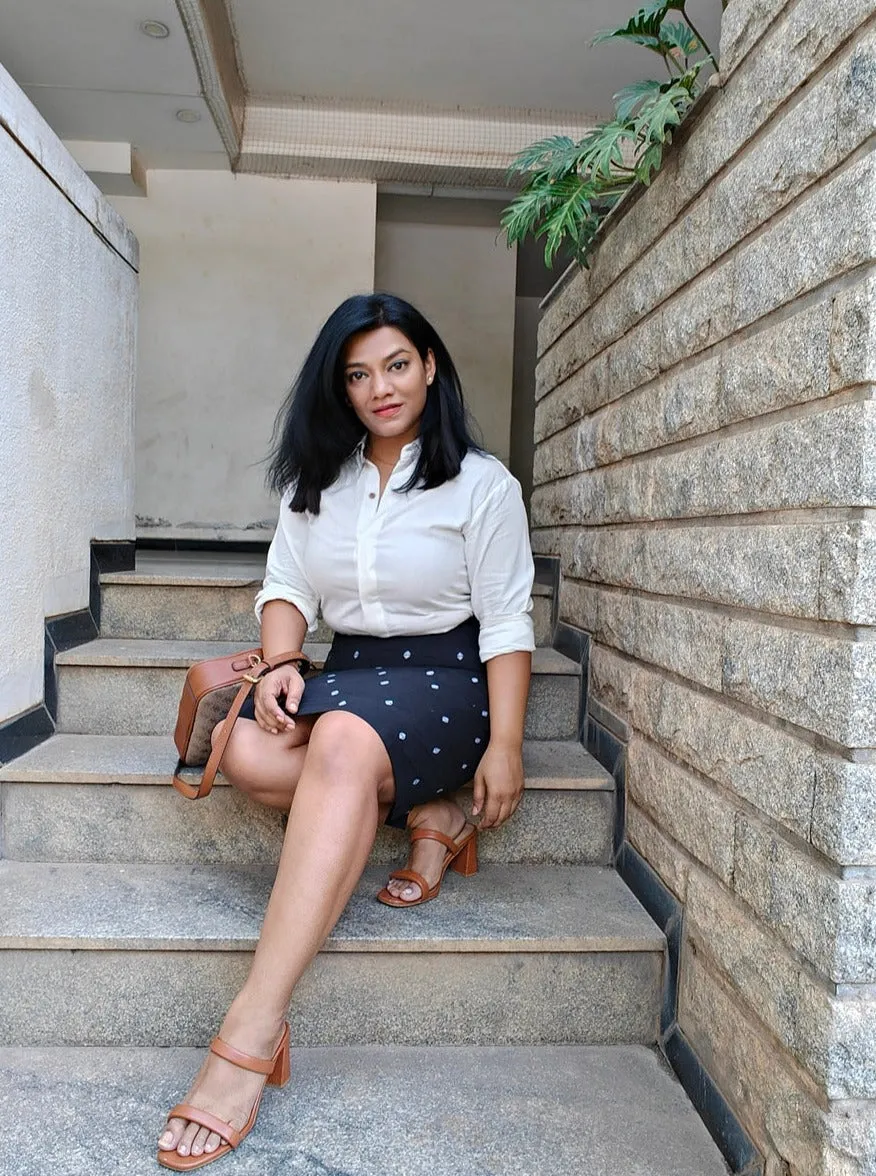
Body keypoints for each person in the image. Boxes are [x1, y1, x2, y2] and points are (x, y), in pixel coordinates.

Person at [157, 292, 535, 1170]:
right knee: (247, 748)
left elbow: (509, 622)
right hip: (355, 669)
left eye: (397, 364)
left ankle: (251, 1028)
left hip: (448, 679)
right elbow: (285, 583)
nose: (381, 388)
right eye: (358, 374)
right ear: (341, 388)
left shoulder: (483, 486)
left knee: (337, 747)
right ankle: (430, 813)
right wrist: (285, 662)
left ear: (430, 366)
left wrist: (508, 744)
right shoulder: (314, 484)